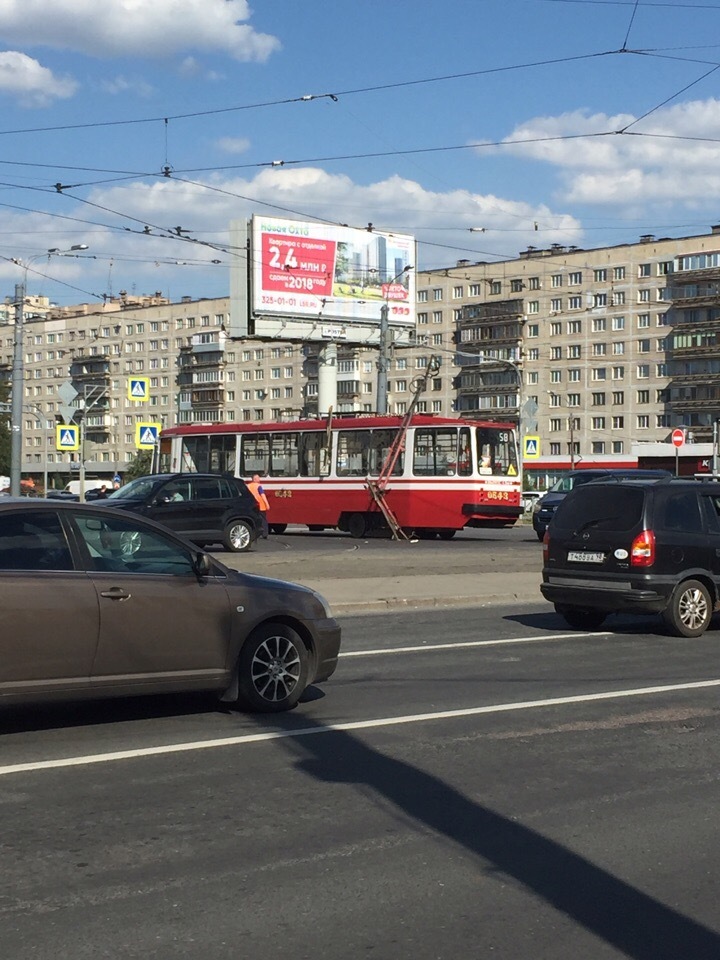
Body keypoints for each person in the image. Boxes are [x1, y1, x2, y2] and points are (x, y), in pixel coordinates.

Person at [247, 473, 270, 539]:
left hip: (252, 505)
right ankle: (265, 534)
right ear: (254, 479)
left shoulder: (248, 486)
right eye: (258, 478)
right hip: (260, 505)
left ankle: (253, 533)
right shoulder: (258, 486)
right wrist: (267, 504)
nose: (259, 479)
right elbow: (263, 495)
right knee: (263, 520)